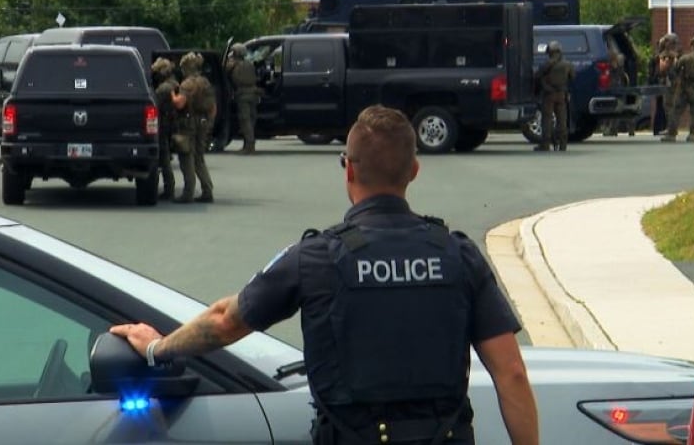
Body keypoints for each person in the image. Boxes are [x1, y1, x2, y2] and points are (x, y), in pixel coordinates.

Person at [111, 105, 540, 445]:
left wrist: (158, 348)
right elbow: (512, 374)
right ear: (414, 171)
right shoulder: (458, 254)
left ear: (348, 169)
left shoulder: (314, 257)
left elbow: (226, 321)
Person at [170, 52, 216, 203]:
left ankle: (188, 192)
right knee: (199, 158)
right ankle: (207, 190)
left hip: (188, 123)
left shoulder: (187, 84)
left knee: (186, 157)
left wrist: (172, 95)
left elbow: (180, 103)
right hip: (203, 122)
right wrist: (209, 122)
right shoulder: (205, 82)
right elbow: (212, 107)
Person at [663, 35, 694, 143]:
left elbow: (675, 69)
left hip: (685, 87)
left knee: (676, 111)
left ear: (692, 46)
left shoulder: (686, 58)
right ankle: (692, 134)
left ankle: (672, 134)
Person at [534, 40, 574, 152]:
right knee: (562, 120)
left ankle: (545, 145)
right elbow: (573, 77)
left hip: (548, 95)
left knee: (547, 120)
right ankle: (563, 145)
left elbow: (537, 76)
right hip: (561, 95)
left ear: (550, 52)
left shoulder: (546, 64)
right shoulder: (568, 64)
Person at [150, 57, 179, 201]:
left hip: (163, 125)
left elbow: (154, 106)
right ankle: (170, 188)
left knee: (164, 158)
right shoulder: (174, 84)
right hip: (170, 124)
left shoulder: (163, 89)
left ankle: (169, 188)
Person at [224, 42, 261, 154]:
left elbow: (225, 71)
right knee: (251, 119)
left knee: (245, 121)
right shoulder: (250, 64)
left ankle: (249, 145)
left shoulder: (233, 64)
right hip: (253, 94)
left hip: (242, 94)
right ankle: (248, 144)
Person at [655, 32, 681, 136]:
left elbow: (662, 68)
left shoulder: (670, 55)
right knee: (670, 106)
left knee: (668, 106)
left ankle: (671, 129)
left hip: (671, 83)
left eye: (666, 41)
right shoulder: (677, 53)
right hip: (673, 82)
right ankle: (671, 128)